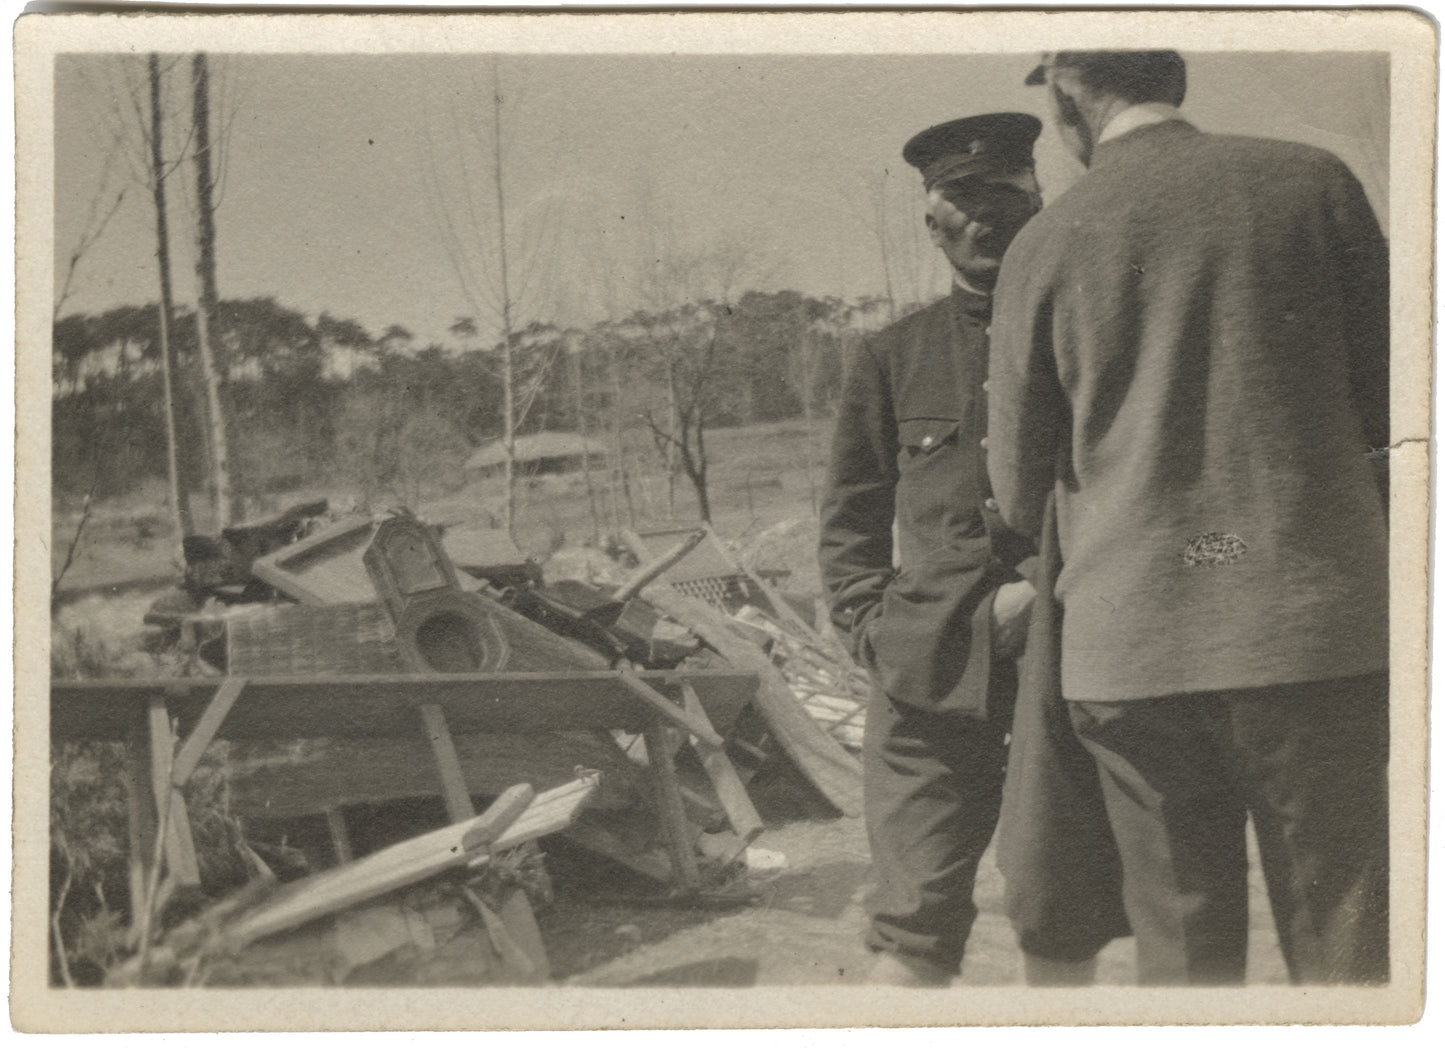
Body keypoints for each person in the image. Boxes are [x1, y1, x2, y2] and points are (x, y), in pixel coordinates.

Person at [988, 50, 1390, 985]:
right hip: (1309, 635)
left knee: (1181, 952)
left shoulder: (1043, 244)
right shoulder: (1311, 183)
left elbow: (1013, 494)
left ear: (1065, 96)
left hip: (1132, 652)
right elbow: (1397, 407)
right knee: (1345, 935)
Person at [819, 113, 1116, 986]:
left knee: (1058, 920)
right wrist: (874, 630)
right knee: (908, 927)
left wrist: (1045, 596)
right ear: (931, 219)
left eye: (1003, 194)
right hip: (925, 675)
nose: (984, 215)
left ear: (1037, 200)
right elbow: (849, 518)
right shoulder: (891, 356)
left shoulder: (1097, 334)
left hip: (1062, 675)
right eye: (961, 199)